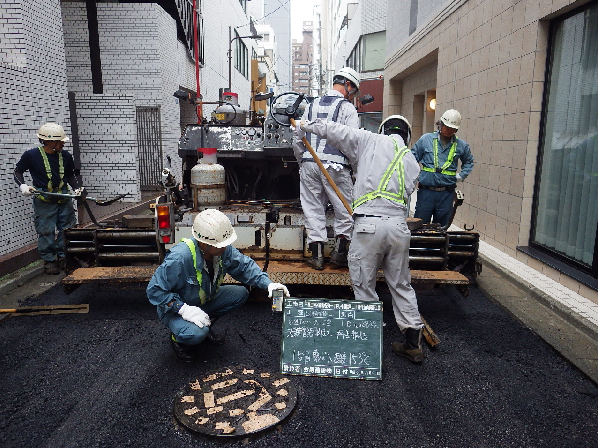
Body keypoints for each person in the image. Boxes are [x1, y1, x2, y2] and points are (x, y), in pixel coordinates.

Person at [299, 115, 425, 363]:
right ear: (407, 136)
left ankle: (369, 342)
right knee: (401, 284)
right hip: (399, 227)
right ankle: (412, 344)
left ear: (383, 129)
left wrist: (304, 124)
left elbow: (334, 131)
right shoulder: (411, 161)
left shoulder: (369, 139)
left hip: (368, 226)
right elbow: (409, 191)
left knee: (364, 284)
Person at [146, 208, 290, 362]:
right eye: (219, 245)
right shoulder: (180, 258)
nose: (224, 247)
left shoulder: (220, 250)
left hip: (201, 301)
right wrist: (184, 309)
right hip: (175, 309)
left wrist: (269, 284)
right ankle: (179, 340)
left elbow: (244, 266)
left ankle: (204, 323)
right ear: (202, 242)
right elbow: (154, 290)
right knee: (195, 334)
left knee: (240, 294)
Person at [293, 67, 360, 270]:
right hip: (336, 166)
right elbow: (352, 142)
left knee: (313, 208)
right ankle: (340, 254)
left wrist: (302, 161)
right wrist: (355, 169)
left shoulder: (311, 106)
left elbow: (297, 138)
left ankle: (317, 256)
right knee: (344, 209)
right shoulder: (347, 109)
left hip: (310, 164)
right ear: (348, 85)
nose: (353, 95)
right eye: (354, 90)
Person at [14, 123, 83, 275]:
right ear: (49, 141)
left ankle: (65, 258)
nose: (63, 144)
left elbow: (70, 175)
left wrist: (76, 188)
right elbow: (18, 171)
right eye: (60, 141)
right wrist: (23, 186)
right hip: (44, 199)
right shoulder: (31, 155)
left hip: (63, 197)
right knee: (46, 230)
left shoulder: (65, 156)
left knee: (68, 229)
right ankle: (49, 261)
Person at [411, 109, 474, 227]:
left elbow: (469, 161)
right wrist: (413, 177)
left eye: (453, 128)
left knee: (441, 227)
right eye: (447, 127)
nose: (450, 130)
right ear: (440, 124)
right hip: (426, 192)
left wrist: (461, 176)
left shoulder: (461, 145)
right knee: (419, 226)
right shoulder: (426, 140)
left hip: (446, 193)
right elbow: (412, 158)